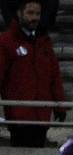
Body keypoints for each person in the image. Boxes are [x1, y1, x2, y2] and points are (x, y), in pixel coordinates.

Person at [0, 0, 65, 147]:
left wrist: (60, 105)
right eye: (30, 13)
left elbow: (54, 75)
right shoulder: (5, 41)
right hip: (18, 115)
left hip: (42, 115)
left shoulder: (44, 42)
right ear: (19, 14)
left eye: (37, 13)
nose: (34, 17)